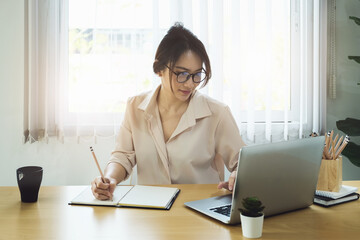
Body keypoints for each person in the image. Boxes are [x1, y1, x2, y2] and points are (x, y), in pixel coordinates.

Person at [91, 22, 245, 200]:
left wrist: (237, 175)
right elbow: (122, 156)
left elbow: (242, 163)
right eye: (182, 74)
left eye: (196, 75)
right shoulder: (135, 107)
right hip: (149, 209)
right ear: (159, 69)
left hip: (199, 210)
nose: (190, 84)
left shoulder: (217, 113)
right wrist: (110, 178)